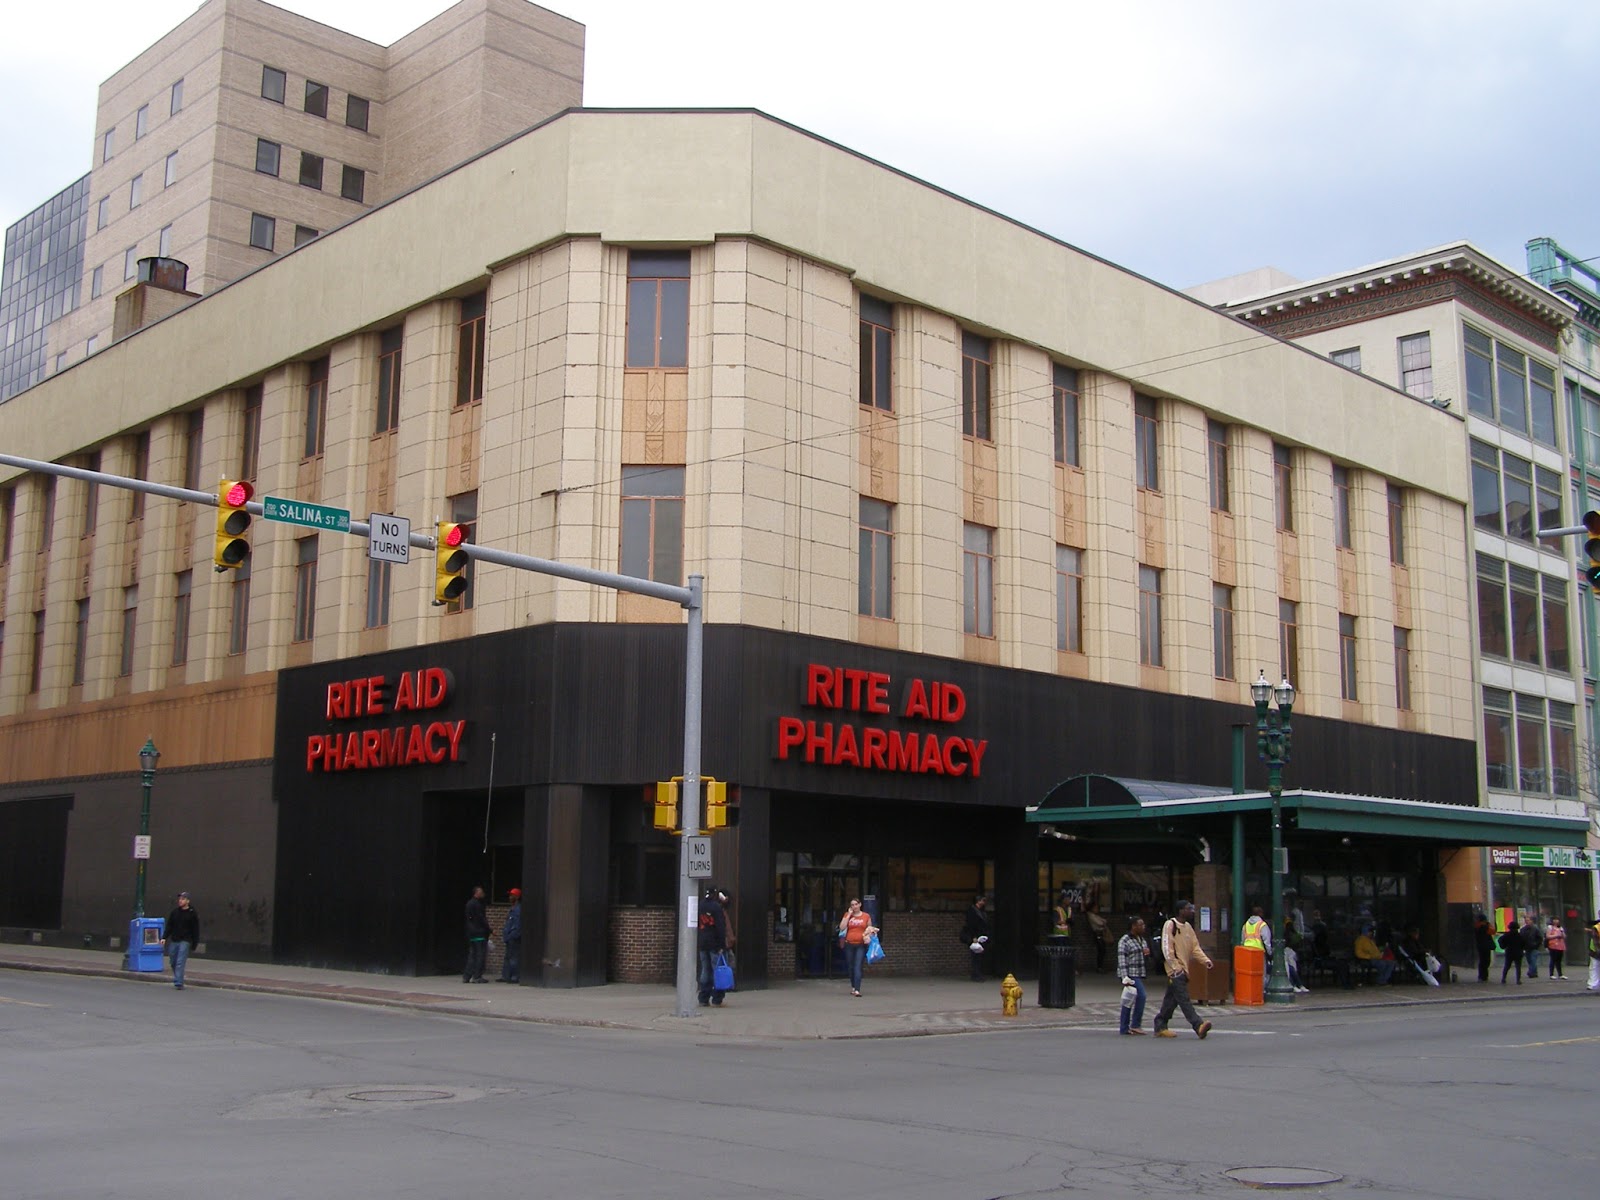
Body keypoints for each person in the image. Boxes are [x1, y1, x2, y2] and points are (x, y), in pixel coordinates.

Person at [1152, 900, 1213, 1040]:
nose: (1191, 911)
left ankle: (1160, 1025)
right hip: (1175, 971)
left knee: (1171, 1000)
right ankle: (1198, 1025)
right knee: (1184, 999)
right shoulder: (1170, 925)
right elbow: (1167, 948)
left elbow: (1195, 947)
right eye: (1188, 908)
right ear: (1180, 911)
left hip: (1184, 970)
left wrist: (1205, 961)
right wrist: (1175, 967)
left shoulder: (1188, 928)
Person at [697, 884, 733, 1006]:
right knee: (718, 971)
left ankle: (703, 998)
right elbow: (720, 928)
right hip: (715, 945)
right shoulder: (716, 907)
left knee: (705, 971)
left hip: (702, 943)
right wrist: (722, 946)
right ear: (715, 893)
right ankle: (717, 998)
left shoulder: (700, 905)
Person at [1116, 916, 1151, 1035]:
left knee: (1128, 1000)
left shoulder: (1142, 940)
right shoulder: (1124, 940)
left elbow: (1144, 955)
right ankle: (1135, 1024)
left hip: (1139, 972)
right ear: (1133, 926)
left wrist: (1146, 954)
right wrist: (1124, 977)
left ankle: (1124, 1028)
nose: (1143, 927)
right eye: (1140, 925)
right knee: (1141, 996)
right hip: (1130, 974)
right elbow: (1122, 959)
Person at [837, 897, 878, 997]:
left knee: (857, 966)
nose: (854, 906)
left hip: (860, 944)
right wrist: (848, 915)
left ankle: (857, 990)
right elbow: (842, 927)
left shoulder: (866, 916)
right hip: (849, 944)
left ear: (860, 905)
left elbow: (869, 928)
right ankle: (853, 986)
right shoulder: (848, 915)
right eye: (852, 905)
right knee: (850, 966)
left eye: (856, 904)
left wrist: (869, 935)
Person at [162, 891, 199, 991]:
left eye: (183, 899)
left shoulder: (192, 913)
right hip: (174, 939)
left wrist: (194, 943)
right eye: (180, 899)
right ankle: (179, 976)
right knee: (173, 960)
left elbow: (195, 929)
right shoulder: (175, 912)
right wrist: (164, 937)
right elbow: (169, 926)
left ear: (188, 901)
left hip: (185, 940)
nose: (180, 901)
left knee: (180, 962)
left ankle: (179, 982)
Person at [463, 885, 490, 983]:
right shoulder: (478, 904)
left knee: (472, 954)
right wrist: (489, 929)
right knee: (480, 954)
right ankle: (477, 976)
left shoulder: (469, 903)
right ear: (477, 893)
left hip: (472, 933)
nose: (483, 894)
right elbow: (481, 918)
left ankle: (467, 975)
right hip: (479, 932)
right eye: (481, 892)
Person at [961, 895, 991, 981]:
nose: (984, 903)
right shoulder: (972, 911)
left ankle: (977, 974)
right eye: (983, 901)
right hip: (975, 936)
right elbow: (971, 925)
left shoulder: (980, 911)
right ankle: (976, 974)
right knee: (976, 956)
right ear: (978, 901)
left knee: (979, 956)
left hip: (981, 936)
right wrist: (973, 937)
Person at [497, 888, 522, 983]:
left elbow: (517, 925)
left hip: (513, 938)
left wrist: (512, 935)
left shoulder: (518, 910)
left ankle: (514, 977)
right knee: (507, 957)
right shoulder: (512, 909)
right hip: (509, 937)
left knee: (513, 957)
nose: (510, 897)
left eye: (512, 895)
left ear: (517, 897)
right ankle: (506, 976)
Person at [1498, 918, 1524, 985]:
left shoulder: (1507, 935)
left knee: (1507, 966)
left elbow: (1500, 940)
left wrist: (1503, 946)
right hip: (1518, 952)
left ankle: (1503, 978)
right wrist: (1523, 949)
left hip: (1509, 952)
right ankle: (1518, 980)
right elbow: (1524, 943)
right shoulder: (1520, 935)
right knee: (1518, 967)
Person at [1472, 911, 1495, 982]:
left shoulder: (1477, 926)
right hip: (1486, 946)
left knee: (1482, 961)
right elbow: (1493, 931)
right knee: (1486, 961)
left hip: (1480, 946)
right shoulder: (1485, 926)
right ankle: (1484, 976)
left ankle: (1482, 976)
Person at [1520, 915, 1544, 979]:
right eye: (1526, 920)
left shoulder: (1535, 929)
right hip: (1527, 948)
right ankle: (1534, 973)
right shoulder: (1523, 929)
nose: (1527, 922)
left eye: (1528, 920)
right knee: (1530, 961)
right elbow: (1521, 938)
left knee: (1533, 960)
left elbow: (1540, 938)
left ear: (1532, 921)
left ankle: (1530, 972)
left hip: (1534, 948)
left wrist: (1536, 944)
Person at [1588, 915, 1600, 993]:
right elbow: (1595, 939)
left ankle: (1593, 983)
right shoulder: (1597, 927)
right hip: (1596, 950)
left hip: (1596, 950)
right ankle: (1593, 984)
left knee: (1594, 967)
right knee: (1594, 966)